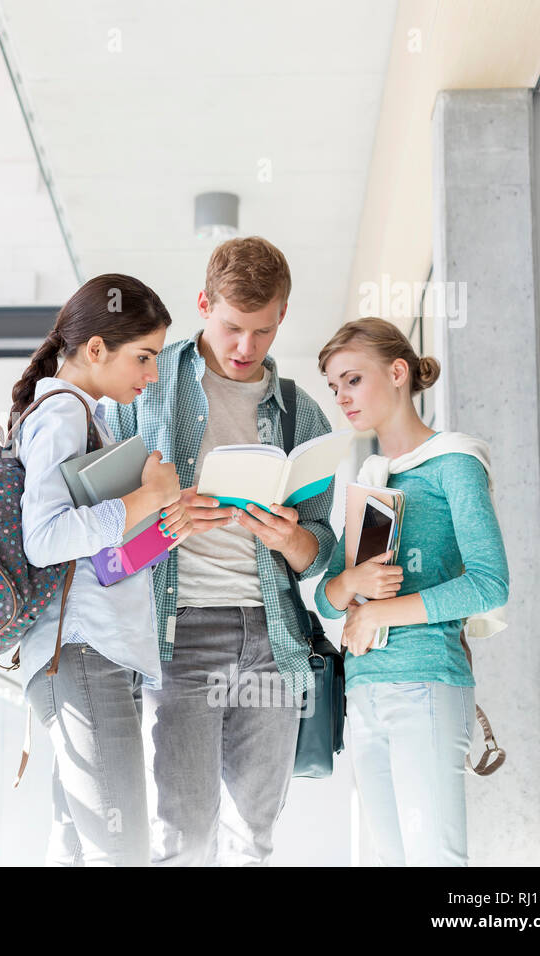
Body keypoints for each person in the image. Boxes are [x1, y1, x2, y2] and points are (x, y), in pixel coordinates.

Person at [105, 237, 338, 865]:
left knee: (252, 838)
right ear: (204, 304)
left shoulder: (301, 415)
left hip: (275, 638)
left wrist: (292, 537)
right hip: (182, 638)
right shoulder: (144, 389)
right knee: (183, 834)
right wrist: (161, 517)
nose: (245, 348)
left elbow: (322, 553)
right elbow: (99, 534)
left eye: (261, 332)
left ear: (282, 316)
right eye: (232, 327)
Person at [313, 317, 509, 866]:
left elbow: (490, 583)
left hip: (424, 683)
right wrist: (349, 587)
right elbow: (330, 602)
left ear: (398, 372)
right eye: (334, 387)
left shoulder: (455, 463)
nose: (342, 397)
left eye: (352, 379)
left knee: (437, 862)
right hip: (365, 693)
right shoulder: (372, 478)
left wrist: (382, 613)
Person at [11, 273, 180, 866]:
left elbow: (100, 565)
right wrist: (148, 500)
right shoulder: (62, 415)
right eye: (144, 357)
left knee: (83, 849)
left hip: (96, 651)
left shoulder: (85, 418)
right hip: (83, 652)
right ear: (96, 349)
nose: (152, 375)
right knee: (121, 851)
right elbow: (46, 539)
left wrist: (167, 527)